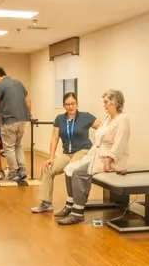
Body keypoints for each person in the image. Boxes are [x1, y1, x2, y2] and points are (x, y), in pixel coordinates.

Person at [55, 90, 130, 225]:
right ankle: (70, 204)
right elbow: (99, 137)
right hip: (97, 155)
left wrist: (109, 159)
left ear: (115, 103)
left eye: (106, 102)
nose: (104, 105)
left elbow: (120, 144)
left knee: (78, 173)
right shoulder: (108, 118)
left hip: (112, 160)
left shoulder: (122, 119)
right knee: (69, 168)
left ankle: (77, 212)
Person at [31, 92, 99, 214]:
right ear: (64, 106)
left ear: (77, 104)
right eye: (67, 104)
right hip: (66, 153)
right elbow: (54, 139)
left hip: (83, 151)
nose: (70, 106)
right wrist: (50, 158)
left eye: (73, 103)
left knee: (70, 168)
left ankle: (73, 203)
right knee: (47, 168)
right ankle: (46, 203)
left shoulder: (85, 116)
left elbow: (104, 129)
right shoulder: (59, 119)